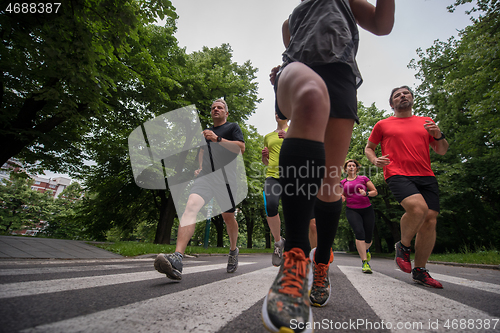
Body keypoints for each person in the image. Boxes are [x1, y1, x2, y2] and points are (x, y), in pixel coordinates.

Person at [261, 1, 395, 332]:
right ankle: (295, 260)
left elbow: (382, 24)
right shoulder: (293, 17)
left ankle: (321, 265)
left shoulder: (348, 2)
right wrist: (283, 77)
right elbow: (291, 43)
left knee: (329, 185)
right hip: (299, 68)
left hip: (341, 75)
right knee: (309, 96)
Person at [365, 86, 449, 288]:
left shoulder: (426, 121)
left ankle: (420, 270)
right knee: (418, 209)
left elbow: (442, 150)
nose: (402, 96)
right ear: (391, 103)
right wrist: (375, 160)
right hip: (397, 173)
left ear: (412, 98)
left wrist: (438, 135)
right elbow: (369, 148)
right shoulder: (383, 125)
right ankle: (403, 246)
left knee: (430, 219)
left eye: (406, 93)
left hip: (426, 174)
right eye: (397, 95)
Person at [154, 99, 245, 280]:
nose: (215, 109)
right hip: (206, 177)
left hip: (226, 180)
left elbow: (240, 149)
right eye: (212, 108)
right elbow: (203, 152)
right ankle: (178, 258)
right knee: (191, 206)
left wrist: (217, 139)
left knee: (228, 218)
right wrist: (200, 167)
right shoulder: (205, 133)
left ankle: (233, 249)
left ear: (226, 113)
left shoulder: (232, 128)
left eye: (219, 107)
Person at [262, 113, 317, 266]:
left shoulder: (298, 131)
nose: (278, 114)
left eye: (281, 112)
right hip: (273, 176)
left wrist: (290, 139)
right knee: (270, 205)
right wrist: (264, 157)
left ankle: (316, 257)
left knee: (311, 221)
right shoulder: (267, 136)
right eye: (275, 112)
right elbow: (266, 162)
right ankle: (279, 242)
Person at [341, 159, 378, 274]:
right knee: (359, 232)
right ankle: (365, 262)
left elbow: (375, 191)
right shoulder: (342, 182)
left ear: (357, 168)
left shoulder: (363, 179)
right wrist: (340, 199)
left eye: (353, 165)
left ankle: (365, 249)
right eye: (349, 166)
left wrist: (366, 193)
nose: (351, 167)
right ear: (346, 169)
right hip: (352, 210)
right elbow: (342, 196)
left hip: (367, 209)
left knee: (368, 237)